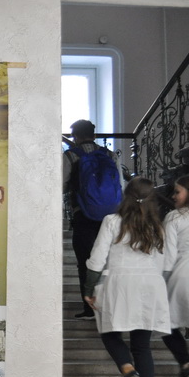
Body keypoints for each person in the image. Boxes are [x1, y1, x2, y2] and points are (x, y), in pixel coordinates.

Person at [84, 178, 170, 377]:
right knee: (142, 346)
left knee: (109, 332)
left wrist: (88, 287)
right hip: (150, 284)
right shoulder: (157, 226)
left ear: (125, 195)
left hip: (120, 283)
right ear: (152, 199)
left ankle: (127, 368)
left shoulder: (112, 221)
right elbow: (162, 262)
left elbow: (97, 258)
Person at [65, 119, 120, 320]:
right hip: (111, 216)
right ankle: (111, 308)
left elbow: (61, 184)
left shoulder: (70, 155)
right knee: (110, 261)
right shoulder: (110, 155)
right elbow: (120, 186)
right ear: (94, 135)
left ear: (75, 137)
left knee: (84, 261)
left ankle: (89, 309)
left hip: (83, 215)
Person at [161, 174, 189, 377]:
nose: (173, 196)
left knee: (166, 324)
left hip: (183, 274)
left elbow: (169, 255)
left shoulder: (174, 217)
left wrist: (161, 281)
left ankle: (186, 363)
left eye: (177, 191)